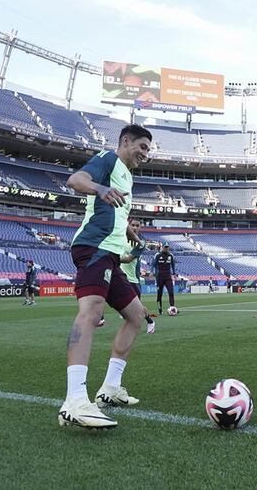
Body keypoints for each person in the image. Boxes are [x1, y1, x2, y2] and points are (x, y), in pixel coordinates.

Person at [58, 124, 152, 430]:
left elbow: (115, 210)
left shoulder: (127, 175)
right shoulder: (107, 159)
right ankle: (74, 400)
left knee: (137, 315)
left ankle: (110, 389)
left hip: (110, 252)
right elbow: (76, 180)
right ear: (126, 141)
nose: (145, 154)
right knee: (91, 311)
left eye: (148, 149)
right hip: (94, 247)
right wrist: (99, 188)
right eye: (142, 147)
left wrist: (128, 231)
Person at [120, 219, 156, 334]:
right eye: (132, 225)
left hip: (132, 280)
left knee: (138, 309)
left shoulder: (140, 243)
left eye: (137, 226)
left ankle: (150, 321)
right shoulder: (120, 238)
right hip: (120, 277)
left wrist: (111, 258)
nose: (135, 227)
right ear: (128, 225)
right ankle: (100, 317)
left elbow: (128, 259)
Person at [152, 243, 177, 314]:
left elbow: (173, 265)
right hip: (159, 277)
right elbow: (153, 264)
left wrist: (174, 273)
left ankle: (172, 308)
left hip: (168, 277)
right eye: (165, 247)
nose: (166, 248)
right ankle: (159, 310)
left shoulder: (170, 255)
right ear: (162, 247)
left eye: (167, 247)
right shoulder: (157, 255)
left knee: (171, 292)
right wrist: (152, 272)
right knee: (159, 294)